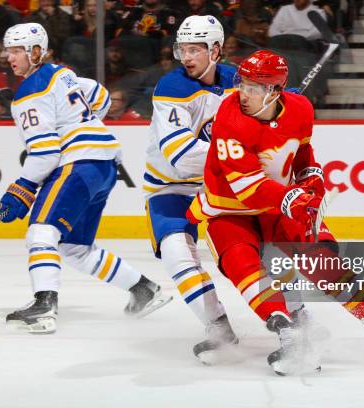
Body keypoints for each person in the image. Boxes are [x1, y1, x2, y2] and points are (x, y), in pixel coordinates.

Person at [186, 49, 364, 375]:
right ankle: (288, 332)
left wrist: (312, 179)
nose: (242, 93)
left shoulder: (301, 110)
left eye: (253, 87)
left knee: (322, 262)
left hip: (277, 205)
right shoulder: (230, 118)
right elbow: (247, 189)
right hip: (230, 210)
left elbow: (302, 155)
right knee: (241, 264)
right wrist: (292, 198)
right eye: (242, 83)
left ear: (274, 91)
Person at [0, 22, 171, 334]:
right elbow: (101, 96)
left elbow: (46, 153)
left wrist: (20, 188)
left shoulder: (28, 93)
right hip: (104, 163)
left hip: (77, 164)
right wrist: (82, 125)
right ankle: (143, 290)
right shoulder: (62, 74)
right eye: (8, 50)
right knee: (76, 247)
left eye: (16, 51)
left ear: (35, 52)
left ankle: (43, 304)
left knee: (41, 232)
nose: (9, 57)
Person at [144, 15, 238, 363]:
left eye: (195, 49)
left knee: (254, 251)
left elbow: (273, 110)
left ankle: (292, 314)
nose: (187, 57)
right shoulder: (172, 88)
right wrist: (238, 158)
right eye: (182, 48)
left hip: (221, 185)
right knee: (175, 253)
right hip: (171, 187)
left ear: (216, 49)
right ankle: (217, 326)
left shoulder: (238, 80)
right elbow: (181, 157)